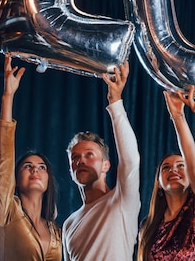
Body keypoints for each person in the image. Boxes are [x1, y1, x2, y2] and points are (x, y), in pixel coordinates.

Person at [62, 61, 141, 261]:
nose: (81, 161)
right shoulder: (69, 224)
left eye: (89, 155)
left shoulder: (122, 201)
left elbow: (130, 160)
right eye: (75, 158)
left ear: (106, 165)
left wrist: (115, 102)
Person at [0, 55, 62, 261]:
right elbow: (5, 158)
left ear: (48, 182)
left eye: (42, 167)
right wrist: (7, 96)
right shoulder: (6, 212)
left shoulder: (56, 231)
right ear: (16, 179)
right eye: (27, 166)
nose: (35, 170)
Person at [137, 86, 195, 261]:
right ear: (158, 182)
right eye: (165, 168)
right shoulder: (148, 225)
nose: (173, 170)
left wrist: (178, 117)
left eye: (181, 166)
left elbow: (194, 166)